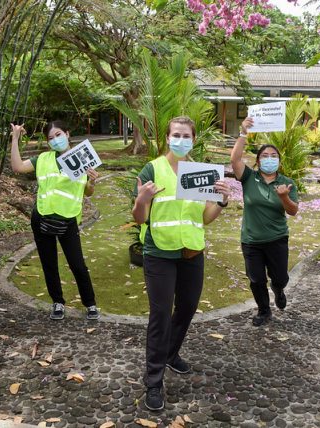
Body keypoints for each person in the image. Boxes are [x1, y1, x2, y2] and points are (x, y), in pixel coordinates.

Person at [132, 116, 231, 411]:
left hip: (191, 251)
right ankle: (153, 380)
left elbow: (204, 218)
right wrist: (142, 199)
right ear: (167, 138)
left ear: (193, 139)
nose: (181, 140)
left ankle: (170, 354)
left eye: (186, 135)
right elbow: (139, 217)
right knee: (161, 314)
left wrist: (222, 202)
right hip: (160, 251)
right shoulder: (151, 169)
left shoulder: (200, 172)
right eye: (176, 134)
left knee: (187, 308)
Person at [10, 120, 100, 321]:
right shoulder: (42, 159)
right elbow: (17, 167)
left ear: (67, 134)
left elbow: (89, 192)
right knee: (48, 263)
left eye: (58, 134)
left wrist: (92, 181)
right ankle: (57, 302)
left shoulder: (82, 157)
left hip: (68, 220)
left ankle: (90, 304)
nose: (55, 140)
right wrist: (15, 138)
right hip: (42, 217)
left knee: (77, 264)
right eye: (51, 138)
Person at [231, 117, 299, 327]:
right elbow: (235, 160)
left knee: (280, 277)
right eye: (265, 156)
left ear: (279, 160)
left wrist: (284, 197)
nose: (270, 159)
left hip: (277, 239)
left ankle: (278, 289)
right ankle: (264, 310)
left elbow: (293, 210)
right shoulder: (249, 177)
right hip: (251, 240)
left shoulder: (287, 183)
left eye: (274, 156)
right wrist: (243, 132)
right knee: (256, 279)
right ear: (258, 161)